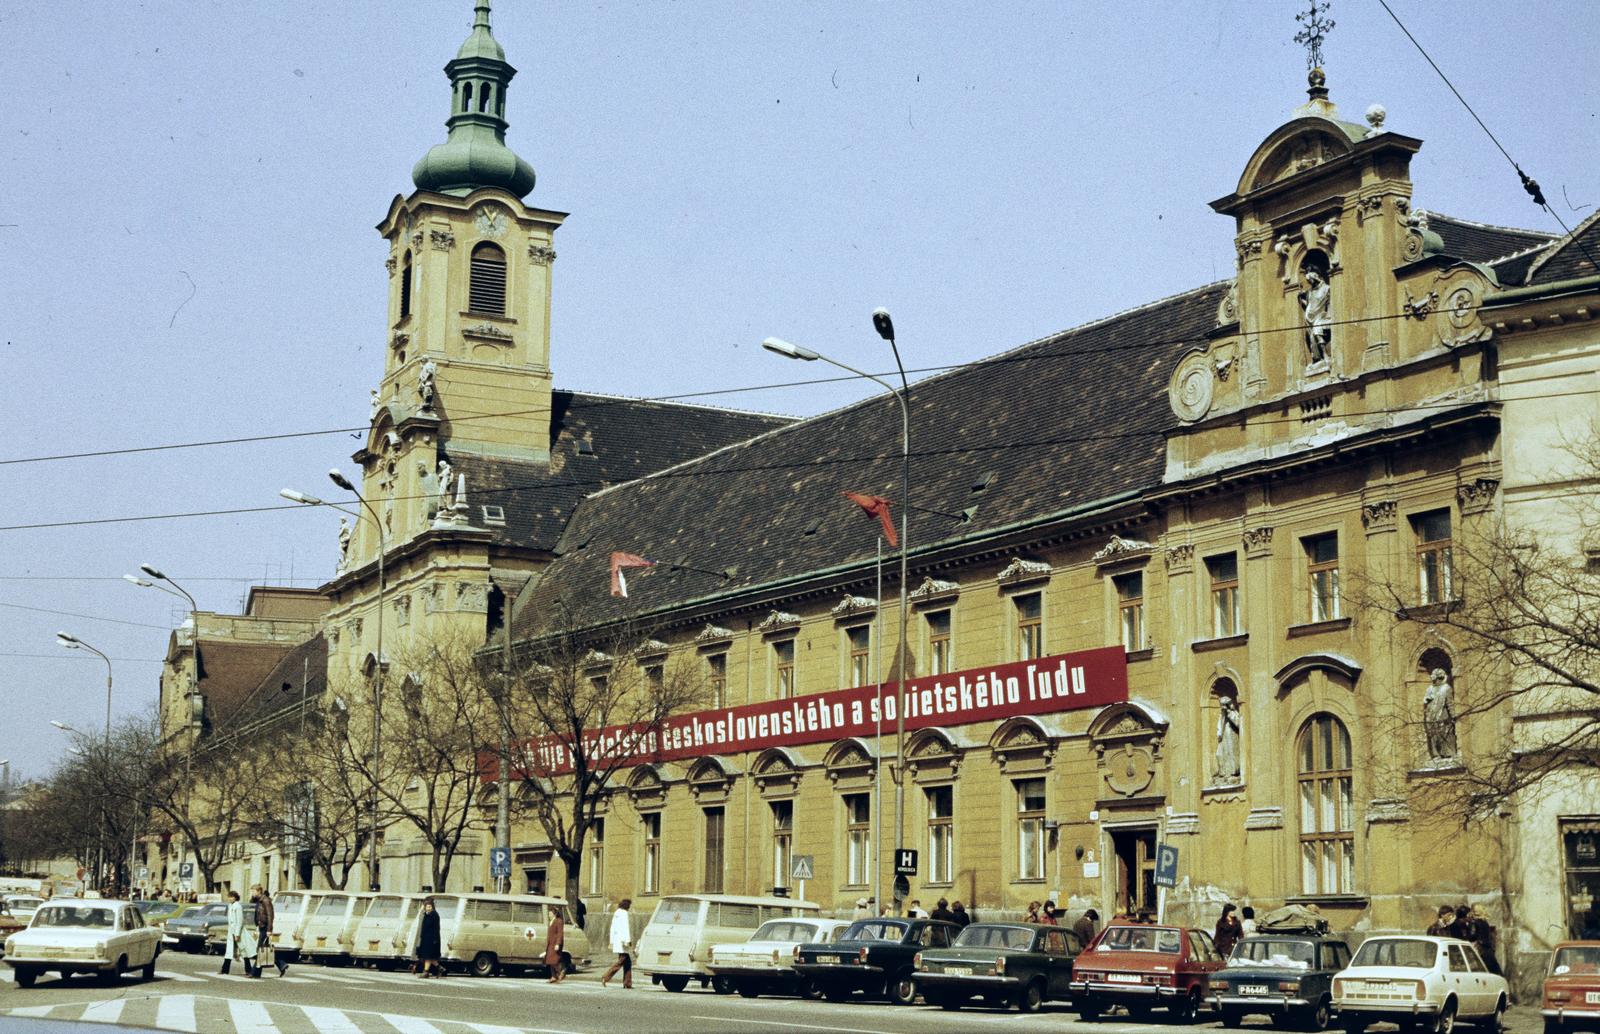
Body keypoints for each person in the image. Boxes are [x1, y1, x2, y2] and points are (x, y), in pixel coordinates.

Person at [601, 899, 634, 988]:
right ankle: (605, 977)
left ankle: (627, 983)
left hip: (617, 940)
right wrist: (627, 940)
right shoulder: (624, 914)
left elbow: (613, 928)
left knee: (627, 962)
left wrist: (612, 941)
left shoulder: (617, 913)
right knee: (621, 961)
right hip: (622, 941)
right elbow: (625, 928)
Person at [253, 886, 286, 977]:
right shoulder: (259, 900)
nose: (252, 893)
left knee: (260, 949)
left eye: (253, 891)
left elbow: (270, 915)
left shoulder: (266, 901)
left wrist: (269, 929)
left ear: (259, 891)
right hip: (261, 927)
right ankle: (281, 964)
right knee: (265, 949)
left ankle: (255, 972)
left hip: (265, 928)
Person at [416, 897, 444, 978]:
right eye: (427, 907)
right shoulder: (426, 914)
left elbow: (436, 928)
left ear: (432, 907)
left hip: (432, 939)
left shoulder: (434, 915)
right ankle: (440, 968)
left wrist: (435, 939)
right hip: (426, 939)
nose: (428, 908)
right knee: (429, 957)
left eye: (430, 906)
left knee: (427, 957)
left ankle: (426, 972)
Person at [221, 891, 244, 975]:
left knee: (244, 951)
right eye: (229, 897)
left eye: (232, 897)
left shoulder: (238, 906)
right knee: (229, 951)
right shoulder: (230, 906)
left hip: (236, 932)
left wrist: (237, 934)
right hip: (231, 931)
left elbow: (239, 921)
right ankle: (225, 969)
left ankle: (249, 969)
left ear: (236, 897)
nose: (230, 898)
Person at [544, 905, 567, 983]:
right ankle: (553, 976)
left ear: (554, 914)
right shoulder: (550, 922)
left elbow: (560, 933)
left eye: (550, 913)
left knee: (555, 960)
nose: (549, 915)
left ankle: (562, 971)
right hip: (550, 943)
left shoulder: (559, 921)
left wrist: (558, 944)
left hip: (555, 944)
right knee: (550, 960)